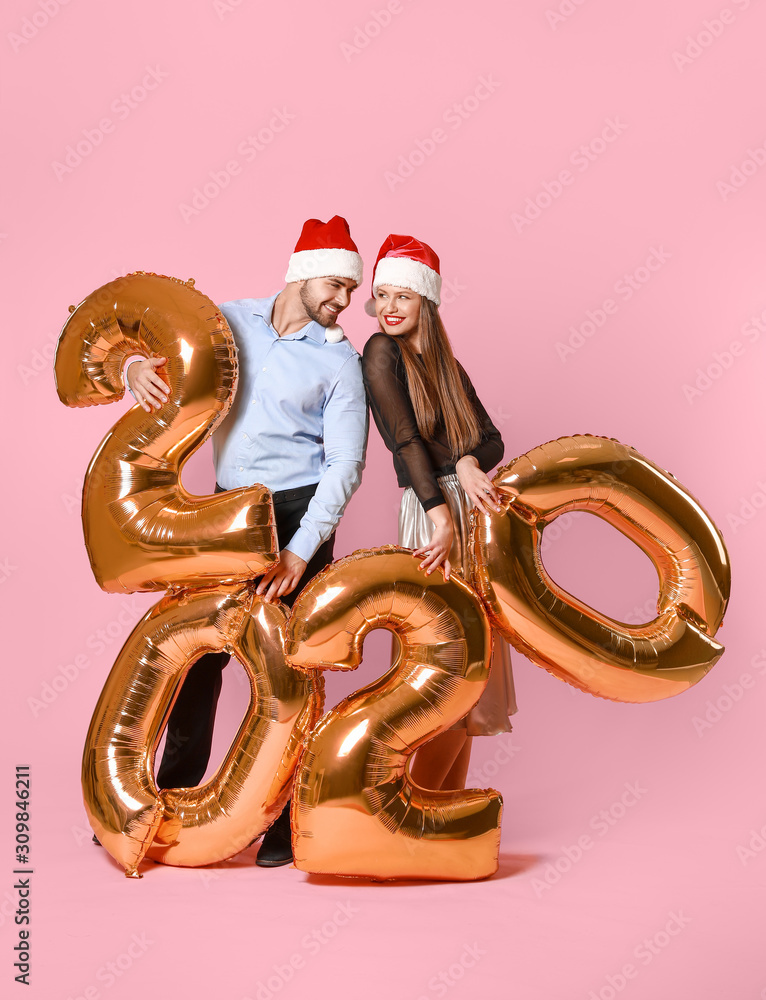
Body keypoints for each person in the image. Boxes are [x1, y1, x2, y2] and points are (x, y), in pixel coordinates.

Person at [125, 216, 368, 866]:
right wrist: (133, 369)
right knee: (200, 658)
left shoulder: (339, 359)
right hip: (230, 514)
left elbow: (345, 465)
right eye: (337, 283)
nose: (345, 299)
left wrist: (302, 548)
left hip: (299, 518)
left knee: (291, 671)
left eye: (352, 289)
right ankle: (167, 807)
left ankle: (284, 822)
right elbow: (155, 343)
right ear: (301, 268)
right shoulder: (228, 322)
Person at [361, 234, 517, 793]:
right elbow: (405, 442)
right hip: (432, 512)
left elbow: (493, 439)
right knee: (444, 663)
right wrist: (438, 512)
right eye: (381, 295)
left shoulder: (447, 365)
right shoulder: (380, 352)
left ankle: (443, 812)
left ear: (426, 301)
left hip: (468, 509)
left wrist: (473, 460)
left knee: (472, 664)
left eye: (403, 295)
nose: (390, 307)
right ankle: (413, 811)